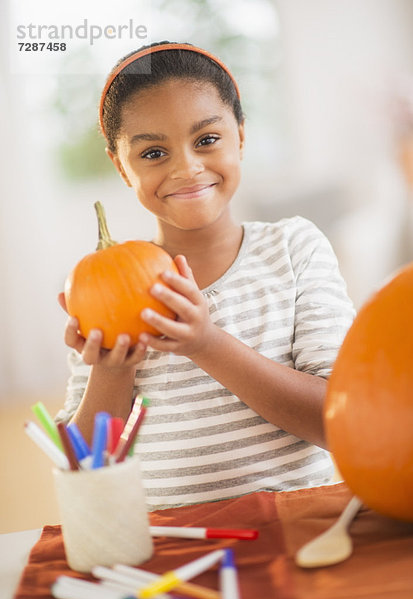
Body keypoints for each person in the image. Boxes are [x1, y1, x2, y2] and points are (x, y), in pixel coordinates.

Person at [56, 41, 355, 510]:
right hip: (175, 547)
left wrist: (206, 342)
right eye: (153, 152)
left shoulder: (294, 248)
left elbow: (343, 423)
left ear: (240, 134)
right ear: (120, 165)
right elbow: (86, 467)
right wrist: (112, 370)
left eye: (207, 140)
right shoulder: (103, 286)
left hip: (305, 527)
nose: (187, 168)